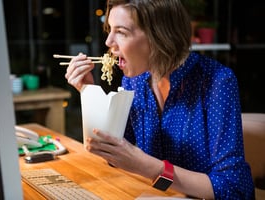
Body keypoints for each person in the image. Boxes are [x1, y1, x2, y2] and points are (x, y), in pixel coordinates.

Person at [65, 0, 255, 199]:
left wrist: (147, 166)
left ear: (159, 35)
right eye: (109, 29)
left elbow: (234, 189)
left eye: (121, 32)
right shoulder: (135, 81)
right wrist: (89, 91)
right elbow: (116, 153)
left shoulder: (217, 82)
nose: (108, 42)